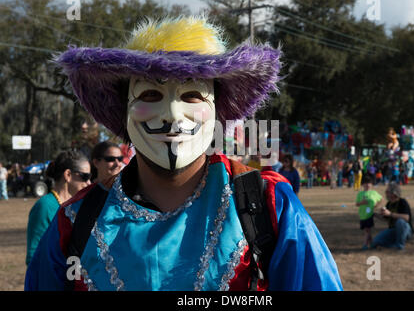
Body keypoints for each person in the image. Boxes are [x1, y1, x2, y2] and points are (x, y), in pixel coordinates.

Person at [25, 16, 342, 291]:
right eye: (151, 94)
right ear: (124, 110)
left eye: (192, 95)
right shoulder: (75, 220)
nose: (174, 115)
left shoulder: (269, 206)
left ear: (216, 109)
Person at [25, 151, 91, 265]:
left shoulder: (78, 205)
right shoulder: (45, 206)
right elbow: (34, 256)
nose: (89, 183)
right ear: (68, 175)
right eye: (85, 177)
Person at [371, 183, 414, 250]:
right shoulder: (389, 204)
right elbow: (386, 219)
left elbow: (406, 217)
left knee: (400, 222)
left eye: (387, 192)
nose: (386, 193)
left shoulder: (402, 202)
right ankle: (394, 245)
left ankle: (400, 246)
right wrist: (375, 215)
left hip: (405, 230)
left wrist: (390, 214)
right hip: (393, 230)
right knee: (375, 242)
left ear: (394, 193)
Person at [355, 175, 383, 250]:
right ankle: (372, 243)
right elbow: (357, 204)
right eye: (366, 183)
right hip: (362, 215)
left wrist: (376, 205)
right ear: (362, 184)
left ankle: (365, 244)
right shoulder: (360, 194)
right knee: (367, 230)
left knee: (367, 230)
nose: (367, 185)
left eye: (369, 183)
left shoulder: (374, 193)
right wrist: (362, 203)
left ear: (372, 184)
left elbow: (381, 199)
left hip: (369, 215)